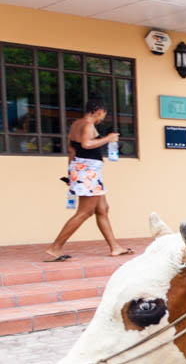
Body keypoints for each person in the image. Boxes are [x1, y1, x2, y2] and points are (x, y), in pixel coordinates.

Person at [45, 99, 130, 262]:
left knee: (102, 209)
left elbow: (72, 149)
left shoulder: (76, 124)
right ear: (98, 110)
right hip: (88, 173)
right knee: (85, 212)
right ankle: (55, 247)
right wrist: (108, 138)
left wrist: (70, 173)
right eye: (103, 114)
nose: (102, 118)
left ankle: (115, 247)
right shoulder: (88, 125)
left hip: (83, 171)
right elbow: (86, 144)